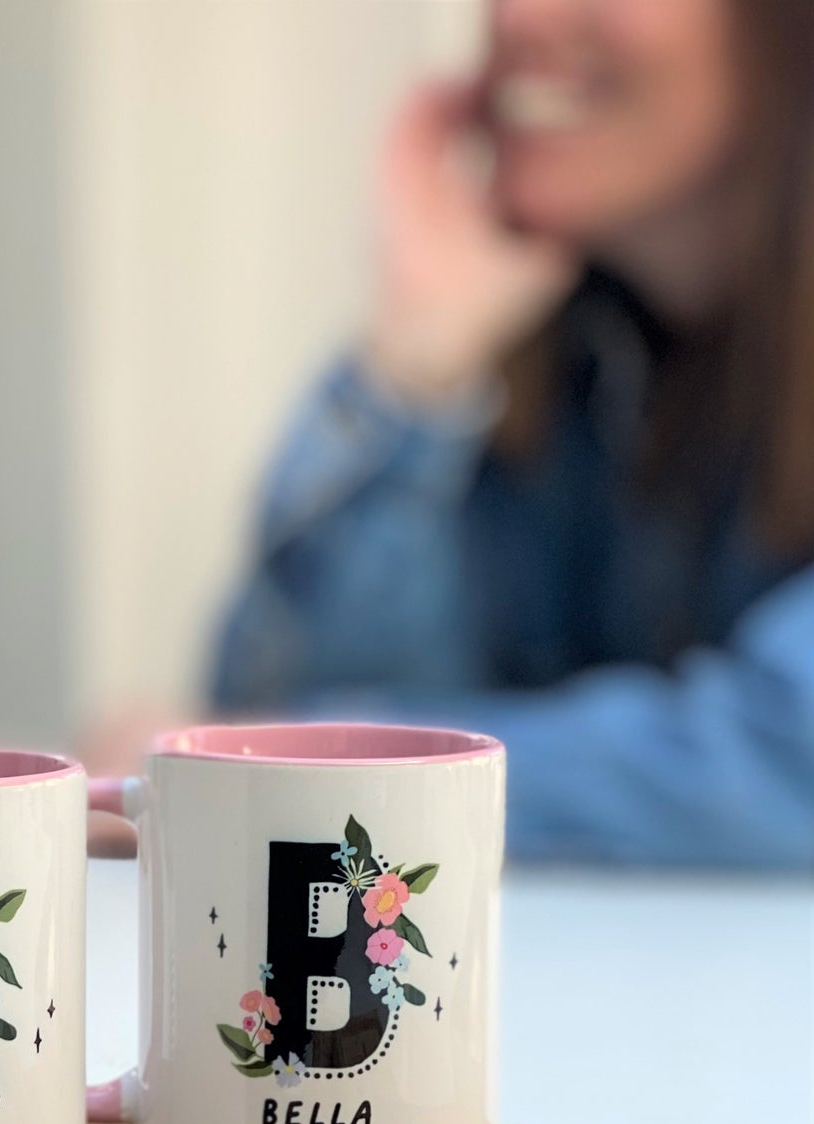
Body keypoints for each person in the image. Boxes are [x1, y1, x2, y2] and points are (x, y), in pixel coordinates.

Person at [214, 0, 814, 867]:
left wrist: (290, 764)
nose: (521, 16)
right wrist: (412, 375)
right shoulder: (581, 360)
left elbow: (781, 766)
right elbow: (299, 699)